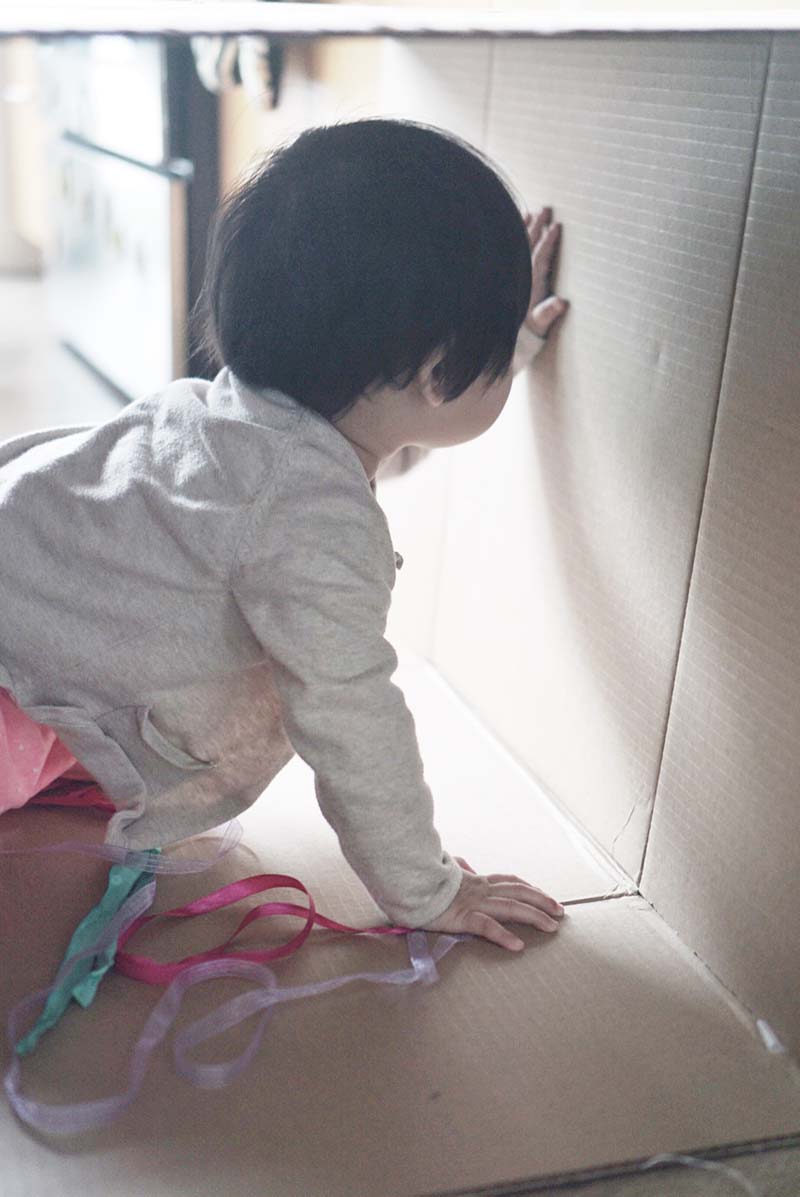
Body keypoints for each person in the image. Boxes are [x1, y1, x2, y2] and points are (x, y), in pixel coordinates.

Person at [0, 117, 569, 951]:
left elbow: (372, 447)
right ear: (439, 374)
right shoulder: (309, 520)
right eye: (479, 362)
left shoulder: (246, 419)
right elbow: (349, 714)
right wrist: (426, 887)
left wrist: (498, 343)